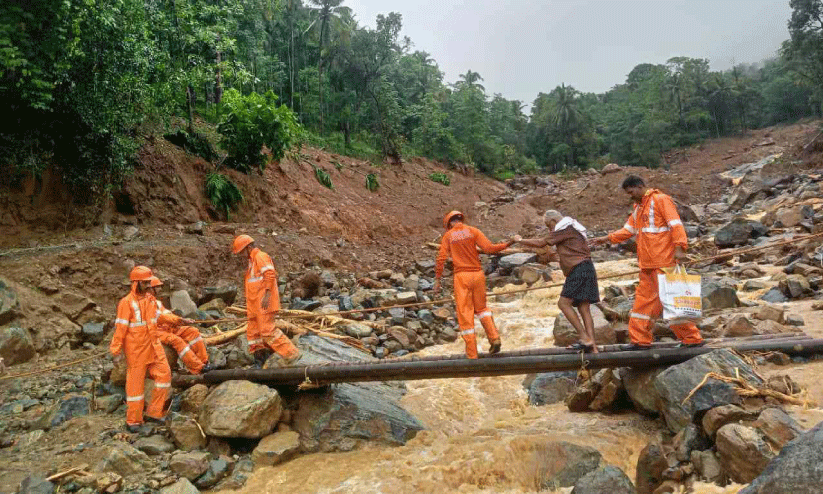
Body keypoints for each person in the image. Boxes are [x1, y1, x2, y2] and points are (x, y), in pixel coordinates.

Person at [590, 175, 704, 350]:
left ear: (640, 186)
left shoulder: (661, 200)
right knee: (642, 305)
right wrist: (607, 238)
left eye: (631, 192)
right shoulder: (639, 207)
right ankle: (640, 341)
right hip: (648, 265)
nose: (630, 196)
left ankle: (692, 338)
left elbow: (675, 224)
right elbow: (628, 230)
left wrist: (680, 248)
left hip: (664, 262)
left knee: (673, 302)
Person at [513, 210, 600, 353]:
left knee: (563, 303)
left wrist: (519, 240)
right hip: (587, 267)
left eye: (548, 225)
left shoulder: (564, 228)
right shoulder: (573, 227)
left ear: (553, 221)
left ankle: (585, 338)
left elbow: (541, 243)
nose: (549, 229)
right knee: (584, 307)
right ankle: (593, 347)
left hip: (578, 269)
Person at [434, 211, 515, 358]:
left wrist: (438, 279)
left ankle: (472, 354)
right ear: (461, 220)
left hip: (462, 276)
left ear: (449, 223)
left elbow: (441, 258)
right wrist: (509, 243)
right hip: (478, 275)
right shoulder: (473, 231)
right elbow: (489, 248)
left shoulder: (448, 236)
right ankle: (494, 338)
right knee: (482, 309)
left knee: (465, 313)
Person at [111, 266, 172, 432]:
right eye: (145, 283)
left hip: (153, 346)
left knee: (165, 375)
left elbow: (162, 316)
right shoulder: (126, 303)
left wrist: (179, 320)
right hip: (136, 351)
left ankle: (154, 412)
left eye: (148, 282)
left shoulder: (150, 300)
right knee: (135, 388)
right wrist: (115, 351)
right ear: (136, 283)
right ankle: (133, 421)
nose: (148, 285)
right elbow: (120, 329)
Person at [231, 235, 300, 366]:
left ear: (248, 248)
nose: (241, 256)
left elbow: (270, 274)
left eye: (241, 252)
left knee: (268, 332)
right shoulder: (252, 262)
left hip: (264, 303)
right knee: (253, 334)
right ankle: (260, 361)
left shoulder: (260, 257)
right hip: (255, 305)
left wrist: (267, 296)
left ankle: (292, 354)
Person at [148, 277, 212, 375]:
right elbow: (161, 317)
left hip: (166, 328)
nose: (160, 289)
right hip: (155, 332)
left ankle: (204, 362)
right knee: (177, 341)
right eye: (157, 287)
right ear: (150, 289)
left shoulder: (157, 302)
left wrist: (179, 321)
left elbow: (167, 315)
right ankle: (198, 368)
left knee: (193, 331)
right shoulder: (145, 303)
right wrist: (179, 320)